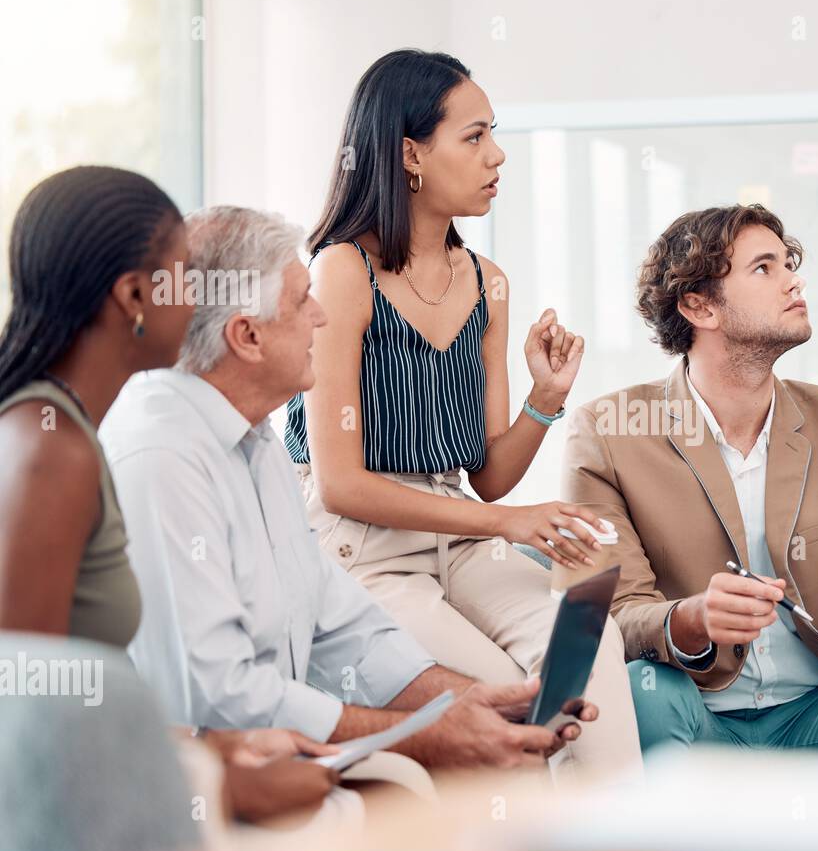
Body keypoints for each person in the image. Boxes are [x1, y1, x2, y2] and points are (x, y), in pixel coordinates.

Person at [101, 204, 595, 777]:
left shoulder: (256, 441)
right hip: (195, 783)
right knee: (445, 771)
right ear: (247, 336)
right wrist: (430, 733)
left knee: (487, 744)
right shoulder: (161, 460)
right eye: (300, 302)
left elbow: (341, 624)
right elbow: (222, 699)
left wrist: (467, 699)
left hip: (269, 753)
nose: (320, 316)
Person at [284, 49, 640, 781]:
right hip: (362, 548)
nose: (496, 154)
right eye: (474, 136)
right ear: (410, 154)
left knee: (587, 644)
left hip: (460, 532)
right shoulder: (342, 271)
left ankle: (620, 830)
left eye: (493, 134)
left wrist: (545, 397)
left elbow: (489, 476)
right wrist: (507, 524)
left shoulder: (487, 283)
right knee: (502, 703)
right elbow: (341, 483)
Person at [564, 204, 818, 757]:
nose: (793, 281)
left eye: (789, 265)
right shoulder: (608, 432)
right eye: (764, 268)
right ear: (699, 306)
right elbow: (609, 614)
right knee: (643, 691)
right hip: (692, 708)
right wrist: (690, 620)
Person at [0, 165, 338, 823]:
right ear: (134, 295)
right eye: (187, 276)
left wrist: (208, 746)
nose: (202, 297)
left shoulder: (67, 432)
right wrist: (222, 788)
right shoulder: (51, 453)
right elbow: (24, 719)